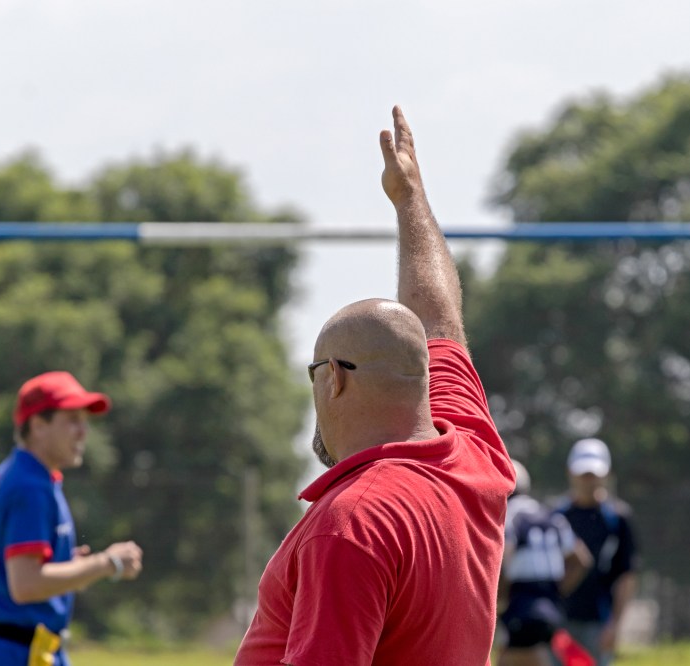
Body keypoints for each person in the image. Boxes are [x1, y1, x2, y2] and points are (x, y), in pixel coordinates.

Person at [234, 107, 516, 665]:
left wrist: (409, 198)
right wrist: (410, 199)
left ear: (334, 378)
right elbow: (439, 320)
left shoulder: (353, 521)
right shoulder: (474, 457)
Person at [0, 371, 144, 666]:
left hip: (21, 651)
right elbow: (25, 586)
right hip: (22, 654)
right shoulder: (30, 487)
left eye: (84, 421)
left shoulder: (7, 474)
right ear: (38, 425)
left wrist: (64, 565)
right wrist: (107, 563)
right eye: (72, 420)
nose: (83, 431)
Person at [553, 438, 639, 666]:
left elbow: (626, 575)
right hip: (560, 622)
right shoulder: (556, 516)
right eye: (583, 474)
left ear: (606, 474)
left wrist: (615, 625)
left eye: (593, 474)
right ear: (570, 473)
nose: (588, 480)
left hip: (599, 622)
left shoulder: (618, 518)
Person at [499, 460, 592, 666]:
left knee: (510, 660)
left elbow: (504, 560)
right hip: (549, 605)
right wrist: (557, 591)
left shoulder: (511, 515)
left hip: (522, 603)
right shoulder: (550, 515)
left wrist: (499, 600)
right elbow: (582, 560)